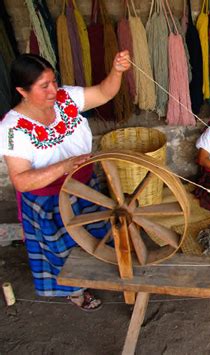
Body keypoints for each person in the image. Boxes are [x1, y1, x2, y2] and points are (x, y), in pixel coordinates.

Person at [0, 51, 131, 310]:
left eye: (54, 82)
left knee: (95, 235)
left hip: (85, 186)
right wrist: (64, 166)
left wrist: (117, 70)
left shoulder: (65, 99)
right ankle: (76, 291)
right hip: (48, 199)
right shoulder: (12, 129)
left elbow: (104, 93)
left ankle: (101, 275)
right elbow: (22, 181)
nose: (53, 90)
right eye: (44, 86)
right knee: (62, 251)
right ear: (22, 91)